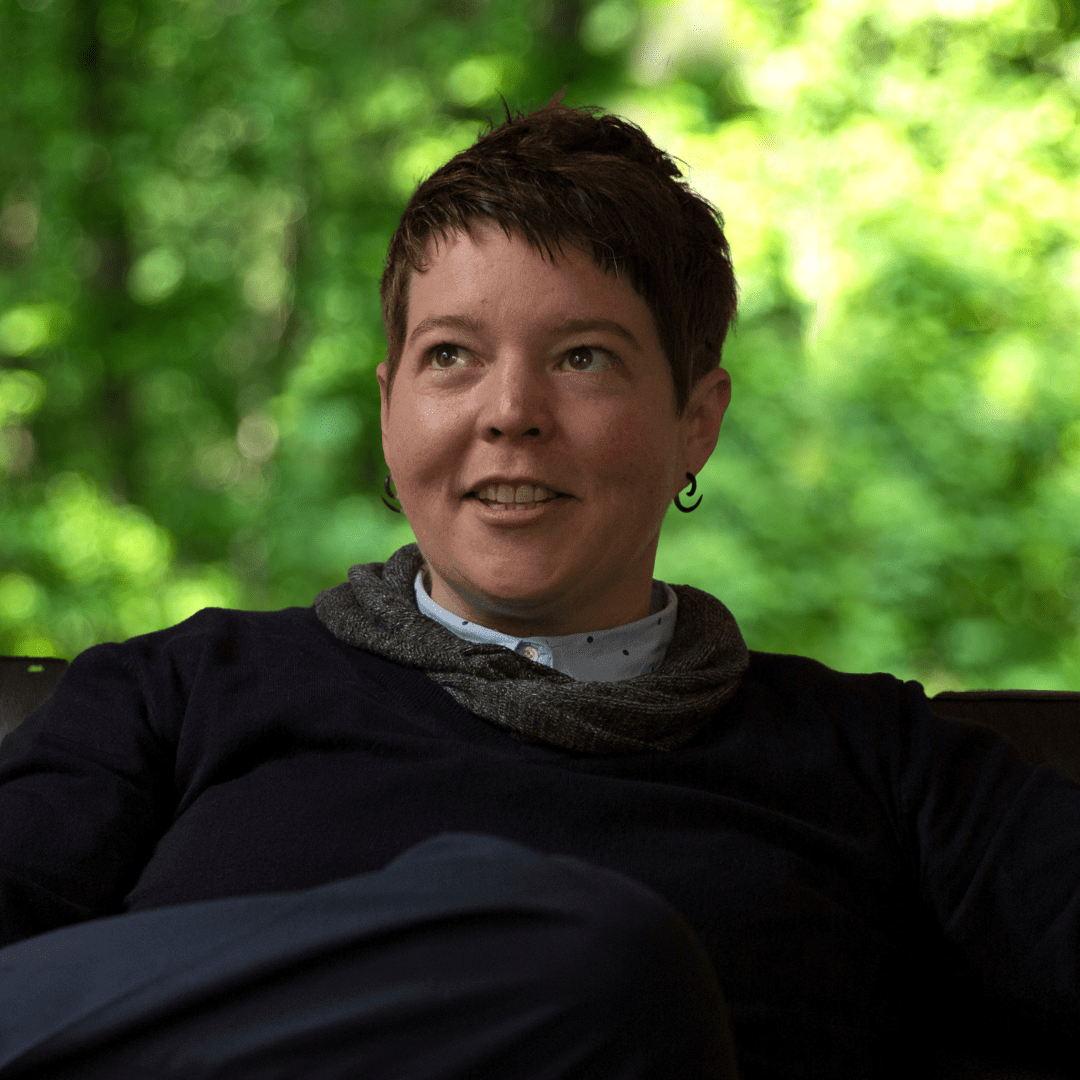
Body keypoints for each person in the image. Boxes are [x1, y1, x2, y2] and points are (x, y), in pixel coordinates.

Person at [1, 91, 1078, 1080]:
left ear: (695, 421)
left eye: (583, 358)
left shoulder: (882, 767)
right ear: (390, 411)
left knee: (602, 960)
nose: (509, 410)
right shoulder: (176, 697)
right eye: (452, 356)